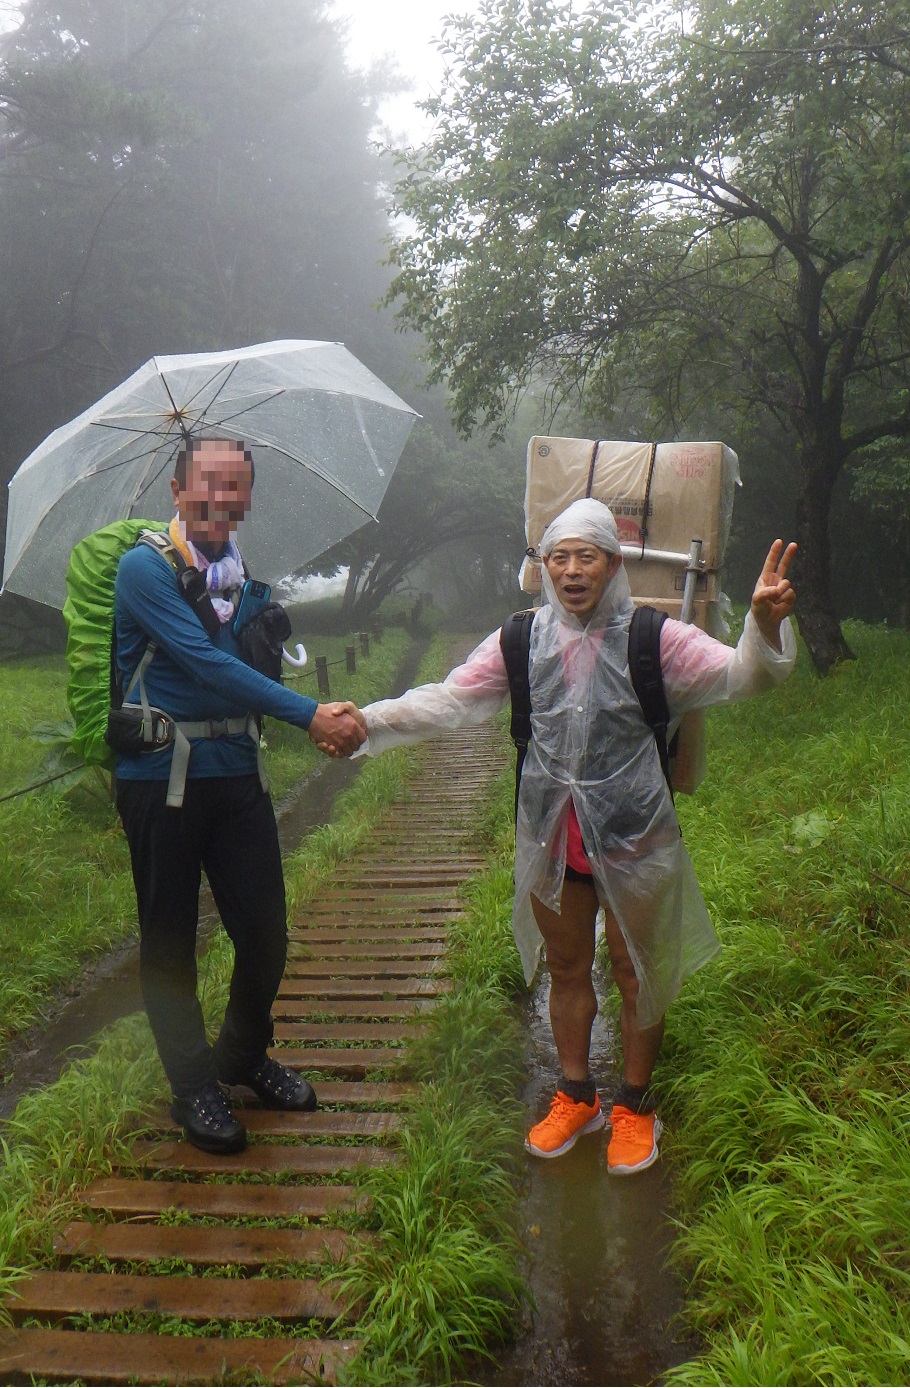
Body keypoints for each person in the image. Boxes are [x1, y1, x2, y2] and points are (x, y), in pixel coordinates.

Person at [353, 498, 797, 1175]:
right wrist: (366, 721)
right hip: (552, 837)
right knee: (566, 968)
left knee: (635, 970)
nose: (570, 569)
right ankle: (576, 1094)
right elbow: (451, 699)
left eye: (584, 555)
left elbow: (741, 676)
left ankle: (635, 1106)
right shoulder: (520, 640)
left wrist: (761, 628)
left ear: (613, 564)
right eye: (556, 557)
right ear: (543, 569)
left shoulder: (655, 639)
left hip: (634, 836)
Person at [113, 436, 366, 1155]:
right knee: (169, 939)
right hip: (160, 779)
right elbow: (201, 665)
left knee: (265, 934)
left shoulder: (239, 578)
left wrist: (291, 685)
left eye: (236, 487)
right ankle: (193, 1083)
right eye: (208, 483)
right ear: (176, 489)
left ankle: (242, 1054)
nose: (222, 499)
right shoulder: (144, 570)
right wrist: (310, 716)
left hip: (236, 776)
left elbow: (245, 672)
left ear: (245, 499)